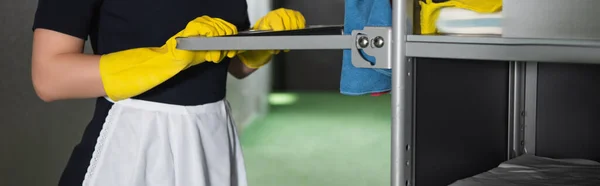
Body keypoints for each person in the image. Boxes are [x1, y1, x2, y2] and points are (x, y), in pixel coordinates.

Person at [30, 0, 305, 185]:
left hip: (213, 137)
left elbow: (230, 65)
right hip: (134, 144)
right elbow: (50, 76)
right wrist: (165, 58)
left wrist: (260, 44)